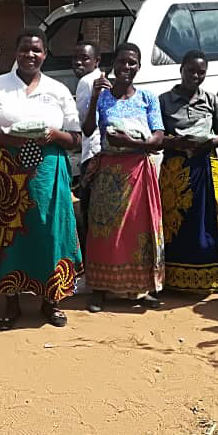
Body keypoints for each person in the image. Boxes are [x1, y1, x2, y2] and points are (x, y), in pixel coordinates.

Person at [0, 29, 82, 330]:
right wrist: (3, 137)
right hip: (10, 172)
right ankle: (11, 302)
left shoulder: (58, 89)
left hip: (49, 171)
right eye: (24, 49)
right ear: (15, 52)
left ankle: (51, 301)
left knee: (50, 233)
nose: (30, 55)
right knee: (11, 236)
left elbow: (75, 137)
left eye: (36, 50)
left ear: (45, 54)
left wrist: (54, 135)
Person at [82, 42, 165, 311]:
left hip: (139, 170)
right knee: (103, 230)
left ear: (139, 67)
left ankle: (141, 288)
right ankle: (101, 288)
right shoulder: (103, 97)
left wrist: (131, 141)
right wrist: (94, 98)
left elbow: (158, 138)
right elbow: (87, 130)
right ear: (113, 64)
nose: (126, 67)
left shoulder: (148, 98)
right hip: (109, 172)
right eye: (122, 62)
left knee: (138, 230)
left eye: (132, 63)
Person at [159, 50, 218, 293]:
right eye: (191, 70)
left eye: (201, 72)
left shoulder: (211, 100)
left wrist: (209, 142)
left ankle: (207, 279)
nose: (196, 76)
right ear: (181, 70)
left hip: (204, 167)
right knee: (175, 223)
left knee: (207, 220)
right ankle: (172, 280)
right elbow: (155, 134)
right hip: (175, 170)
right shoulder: (164, 100)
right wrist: (174, 142)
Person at [73, 41, 102, 292]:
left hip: (92, 155)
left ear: (97, 60)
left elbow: (82, 122)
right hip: (101, 154)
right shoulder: (100, 80)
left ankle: (88, 274)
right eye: (76, 58)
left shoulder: (86, 83)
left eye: (85, 58)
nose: (78, 62)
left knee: (88, 213)